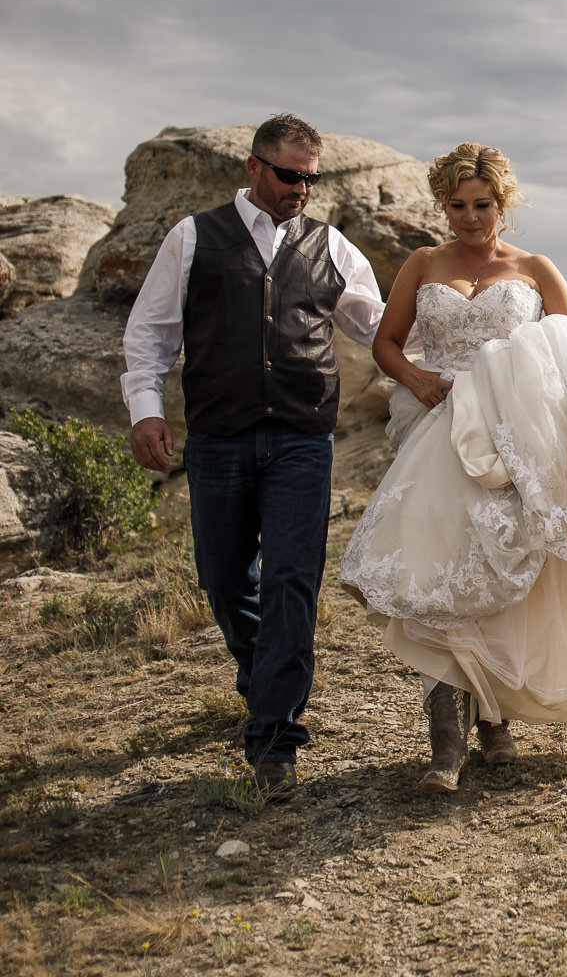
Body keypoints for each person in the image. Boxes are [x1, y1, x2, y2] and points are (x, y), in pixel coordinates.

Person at [339, 144, 567, 792]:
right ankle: (445, 749)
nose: (469, 217)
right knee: (439, 576)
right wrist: (418, 380)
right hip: (436, 430)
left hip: (514, 441)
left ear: (503, 205)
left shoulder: (535, 267)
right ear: (442, 206)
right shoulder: (424, 264)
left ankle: (497, 720)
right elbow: (386, 342)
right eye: (456, 206)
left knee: (505, 576)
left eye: (481, 205)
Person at [123, 114, 386, 796]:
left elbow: (379, 326)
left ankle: (275, 739)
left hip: (304, 436)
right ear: (253, 167)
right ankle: (262, 674)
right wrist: (145, 412)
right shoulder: (192, 237)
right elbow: (149, 334)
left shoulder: (332, 246)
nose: (302, 187)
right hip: (218, 436)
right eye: (289, 174)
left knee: (293, 581)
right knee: (222, 577)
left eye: (311, 178)